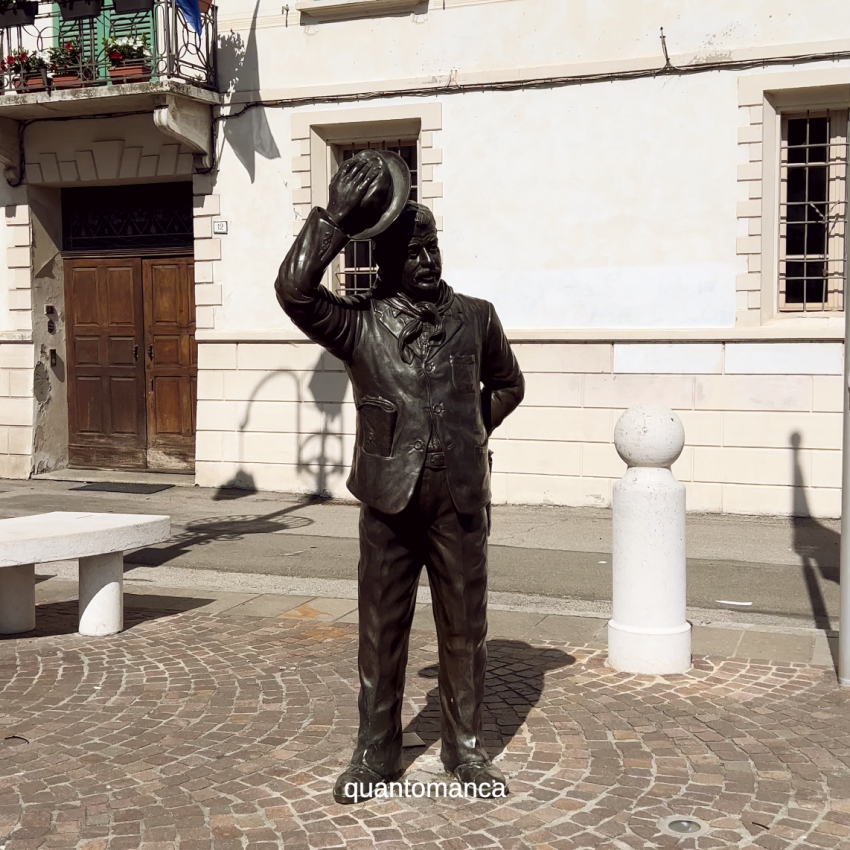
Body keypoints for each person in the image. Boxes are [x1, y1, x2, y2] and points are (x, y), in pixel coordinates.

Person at [275, 150, 524, 803]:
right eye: (412, 253)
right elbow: (294, 290)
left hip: (459, 498)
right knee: (382, 630)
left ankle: (465, 750)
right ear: (384, 261)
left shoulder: (478, 316)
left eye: (432, 248)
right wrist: (332, 220)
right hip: (388, 497)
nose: (427, 262)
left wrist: (468, 434)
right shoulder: (356, 324)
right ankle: (376, 750)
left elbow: (506, 384)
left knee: (465, 627)